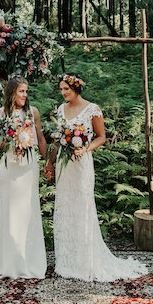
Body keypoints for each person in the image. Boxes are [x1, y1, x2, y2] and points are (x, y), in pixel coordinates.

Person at [45, 73, 147, 281]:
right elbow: (57, 140)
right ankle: (67, 261)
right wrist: (50, 163)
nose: (63, 92)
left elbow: (102, 137)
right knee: (65, 208)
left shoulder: (93, 109)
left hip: (82, 165)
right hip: (65, 168)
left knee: (82, 208)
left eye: (67, 89)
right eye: (61, 89)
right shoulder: (60, 110)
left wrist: (85, 148)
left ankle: (85, 261)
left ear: (77, 88)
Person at [0, 77, 48, 279]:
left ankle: (31, 261)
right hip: (10, 168)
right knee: (11, 214)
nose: (24, 95)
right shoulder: (0, 115)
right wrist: (11, 138)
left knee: (29, 213)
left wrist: (49, 162)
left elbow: (40, 138)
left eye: (26, 91)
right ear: (11, 92)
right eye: (21, 91)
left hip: (29, 168)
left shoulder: (33, 113)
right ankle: (10, 264)